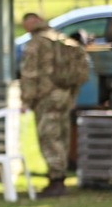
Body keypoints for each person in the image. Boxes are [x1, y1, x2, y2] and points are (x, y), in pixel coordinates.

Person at [18, 12, 81, 197]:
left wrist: (26, 101)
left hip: (46, 98)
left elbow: (29, 75)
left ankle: (56, 181)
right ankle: (60, 178)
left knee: (49, 138)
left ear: (30, 25)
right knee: (61, 136)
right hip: (65, 96)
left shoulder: (36, 43)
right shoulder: (61, 39)